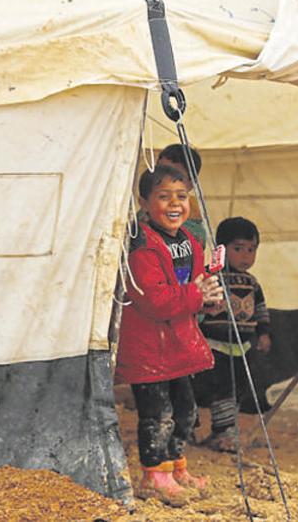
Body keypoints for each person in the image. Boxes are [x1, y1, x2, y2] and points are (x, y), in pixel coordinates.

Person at [116, 165, 223, 505]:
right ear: (144, 202)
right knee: (157, 415)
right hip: (148, 349)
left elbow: (194, 287)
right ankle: (154, 475)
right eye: (163, 197)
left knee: (186, 412)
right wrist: (196, 294)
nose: (175, 204)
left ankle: (177, 467)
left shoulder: (189, 241)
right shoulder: (142, 247)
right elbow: (155, 300)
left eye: (182, 196)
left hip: (176, 345)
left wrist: (210, 297)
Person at [199, 216, 272, 452]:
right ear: (221, 250)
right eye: (238, 249)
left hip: (243, 347)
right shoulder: (211, 276)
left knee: (237, 388)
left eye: (251, 250)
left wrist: (264, 333)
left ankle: (224, 430)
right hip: (214, 344)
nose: (246, 256)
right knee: (222, 389)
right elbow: (197, 307)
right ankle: (223, 432)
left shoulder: (252, 282)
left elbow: (261, 310)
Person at [131, 144, 207, 252]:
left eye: (175, 176)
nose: (165, 179)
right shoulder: (143, 214)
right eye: (159, 171)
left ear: (191, 184)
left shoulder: (194, 228)